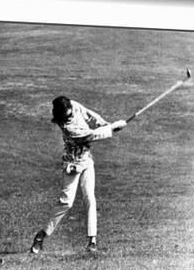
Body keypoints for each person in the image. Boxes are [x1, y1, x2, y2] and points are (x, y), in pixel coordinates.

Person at [30, 96, 127, 254]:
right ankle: (41, 235)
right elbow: (90, 136)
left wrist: (105, 124)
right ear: (61, 116)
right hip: (72, 164)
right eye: (67, 115)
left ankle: (92, 241)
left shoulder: (72, 105)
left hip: (86, 160)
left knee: (90, 197)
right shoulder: (68, 128)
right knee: (66, 202)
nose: (71, 115)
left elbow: (89, 115)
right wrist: (112, 128)